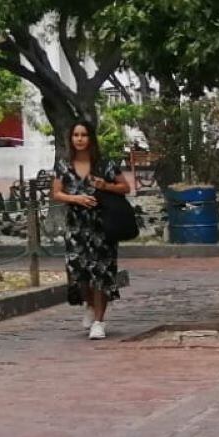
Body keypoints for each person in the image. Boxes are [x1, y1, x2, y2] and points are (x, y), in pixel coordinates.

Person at [51, 121, 133, 340]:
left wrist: (104, 186)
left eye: (84, 135)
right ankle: (89, 304)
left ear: (91, 138)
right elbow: (56, 193)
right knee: (78, 272)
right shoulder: (64, 166)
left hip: (102, 227)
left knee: (101, 274)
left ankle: (99, 321)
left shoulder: (105, 165)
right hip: (76, 227)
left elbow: (125, 187)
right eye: (76, 135)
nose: (79, 139)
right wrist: (75, 198)